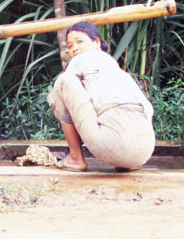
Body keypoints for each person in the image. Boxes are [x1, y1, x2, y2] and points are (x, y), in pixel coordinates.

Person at [47, 21, 155, 171]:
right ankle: (126, 164)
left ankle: (76, 158)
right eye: (70, 46)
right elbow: (149, 110)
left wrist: (59, 110)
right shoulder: (117, 71)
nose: (74, 48)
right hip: (145, 150)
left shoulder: (80, 60)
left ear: (96, 43)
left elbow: (59, 100)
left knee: (64, 81)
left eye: (79, 41)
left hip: (110, 146)